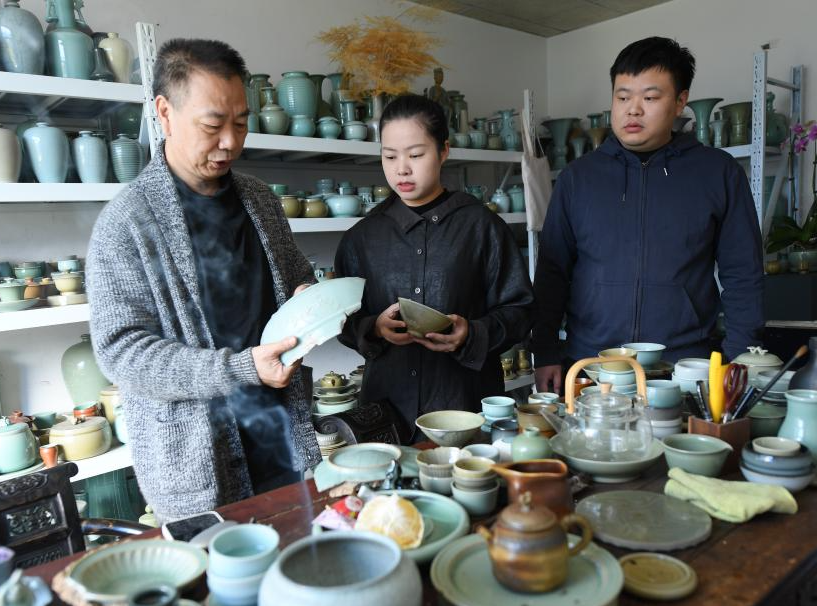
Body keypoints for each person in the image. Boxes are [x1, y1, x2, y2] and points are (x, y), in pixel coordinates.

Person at [86, 39, 319, 522]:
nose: (230, 142)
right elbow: (122, 353)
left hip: (283, 441)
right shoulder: (127, 222)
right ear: (165, 113)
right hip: (195, 469)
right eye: (213, 125)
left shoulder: (260, 201)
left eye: (241, 123)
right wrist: (241, 368)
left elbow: (296, 276)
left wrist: (306, 299)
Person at [532, 36, 764, 394]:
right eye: (623, 97)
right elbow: (552, 272)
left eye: (650, 98)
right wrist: (545, 350)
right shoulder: (578, 178)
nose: (633, 110)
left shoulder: (718, 173)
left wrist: (739, 358)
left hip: (684, 368)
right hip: (592, 366)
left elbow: (744, 274)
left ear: (681, 101)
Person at [334, 94, 533, 439]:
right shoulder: (361, 237)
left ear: (443, 151)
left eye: (415, 155)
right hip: (387, 415)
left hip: (464, 406)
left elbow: (521, 310)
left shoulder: (481, 227)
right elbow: (342, 320)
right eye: (390, 156)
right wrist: (374, 328)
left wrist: (471, 333)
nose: (402, 169)